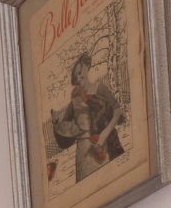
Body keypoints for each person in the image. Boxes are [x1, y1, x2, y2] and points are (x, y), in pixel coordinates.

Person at [48, 51, 124, 183]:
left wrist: (104, 135)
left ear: (86, 67)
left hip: (104, 149)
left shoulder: (99, 88)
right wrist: (56, 124)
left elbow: (117, 110)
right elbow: (65, 138)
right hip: (83, 157)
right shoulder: (74, 103)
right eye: (75, 77)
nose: (78, 78)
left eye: (79, 72)